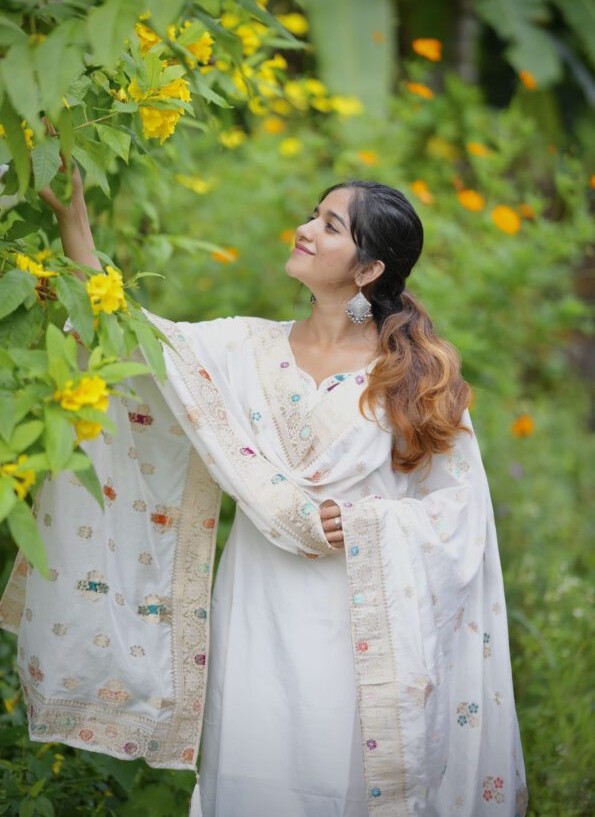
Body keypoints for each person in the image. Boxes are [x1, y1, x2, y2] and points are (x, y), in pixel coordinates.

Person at [0, 164, 529, 817]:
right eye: (313, 214)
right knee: (255, 769)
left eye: (328, 225)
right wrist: (75, 227)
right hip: (256, 603)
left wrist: (369, 522)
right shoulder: (241, 348)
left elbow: (459, 516)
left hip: (358, 619)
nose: (304, 228)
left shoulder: (413, 380)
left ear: (366, 270)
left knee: (339, 776)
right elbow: (127, 336)